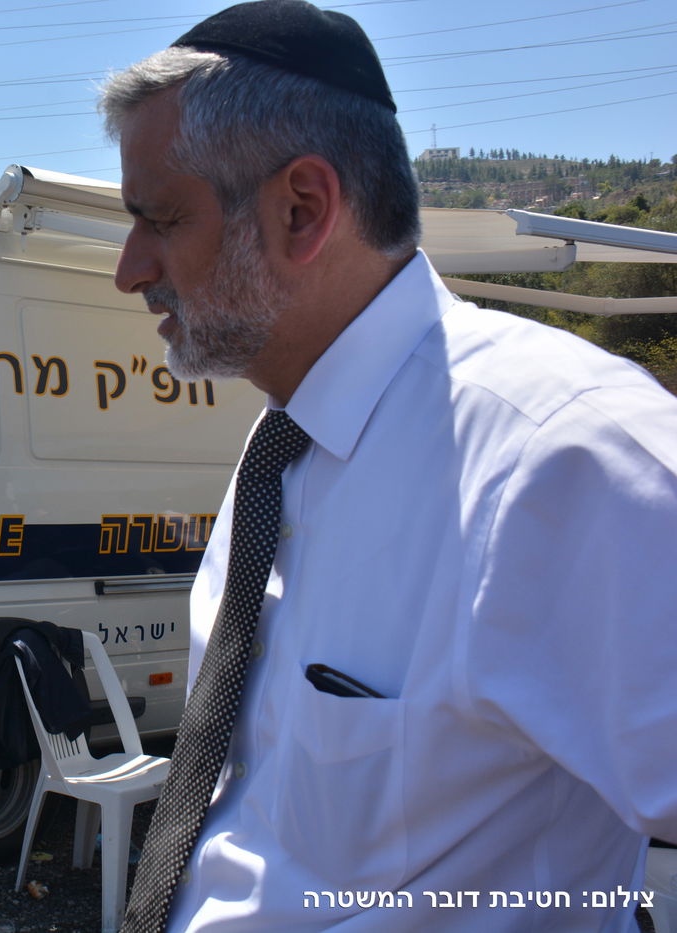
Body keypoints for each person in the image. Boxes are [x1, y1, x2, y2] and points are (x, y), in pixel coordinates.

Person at [100, 2, 677, 931]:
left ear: (303, 209)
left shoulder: (565, 457)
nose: (129, 270)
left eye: (161, 219)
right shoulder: (282, 445)